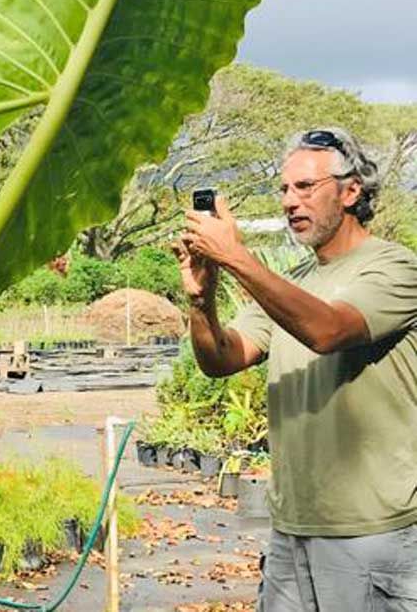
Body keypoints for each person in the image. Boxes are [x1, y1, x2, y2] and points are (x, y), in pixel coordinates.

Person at [173, 127, 417, 611]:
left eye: (305, 187)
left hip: (369, 533)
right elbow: (223, 358)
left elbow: (328, 331)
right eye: (284, 189)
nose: (289, 201)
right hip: (290, 529)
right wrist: (201, 300)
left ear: (351, 192)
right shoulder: (292, 283)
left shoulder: (395, 268)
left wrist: (235, 256)